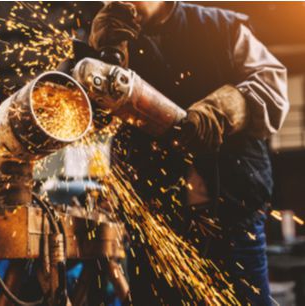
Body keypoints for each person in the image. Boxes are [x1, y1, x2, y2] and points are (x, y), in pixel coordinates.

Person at [88, 2, 289, 305]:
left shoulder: (221, 27)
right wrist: (96, 58)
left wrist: (222, 111)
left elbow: (272, 87)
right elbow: (80, 115)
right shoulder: (109, 39)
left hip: (232, 218)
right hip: (155, 226)